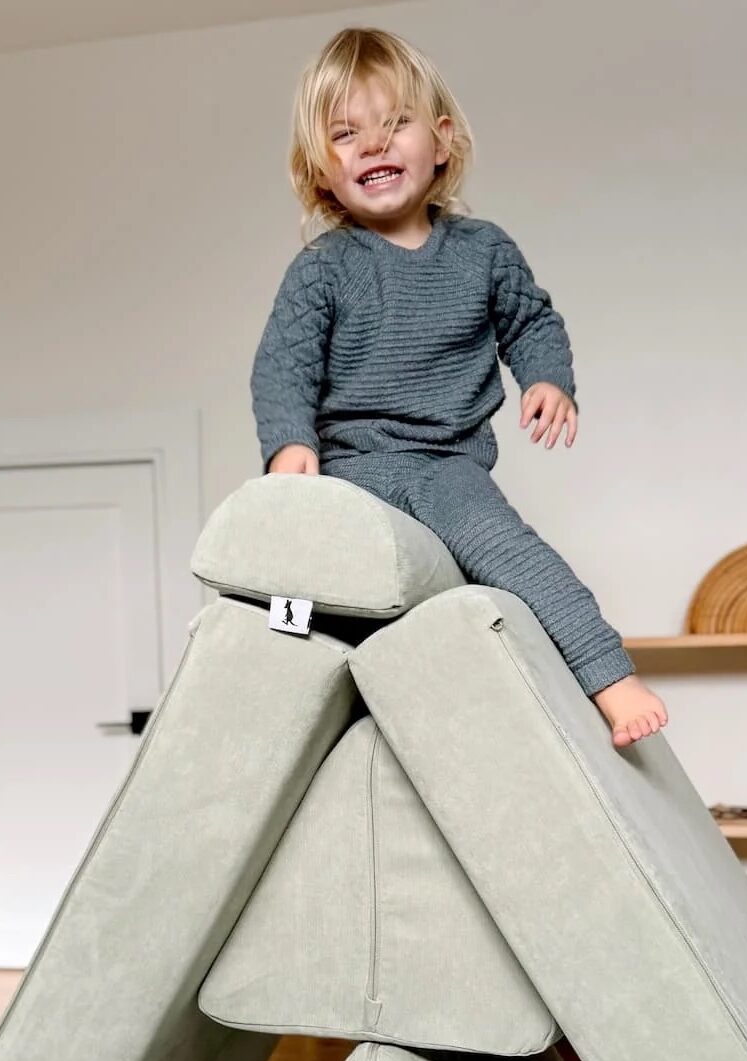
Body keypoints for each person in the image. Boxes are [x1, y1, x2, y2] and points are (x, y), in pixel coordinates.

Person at [249, 26, 669, 750]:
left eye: (394, 124)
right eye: (346, 134)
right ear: (320, 170)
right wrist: (290, 445)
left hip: (446, 468)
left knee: (511, 554)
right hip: (348, 468)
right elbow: (282, 365)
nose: (373, 145)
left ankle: (610, 679)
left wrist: (547, 378)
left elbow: (531, 322)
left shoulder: (483, 252)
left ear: (440, 140)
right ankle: (277, 714)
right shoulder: (322, 269)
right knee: (293, 579)